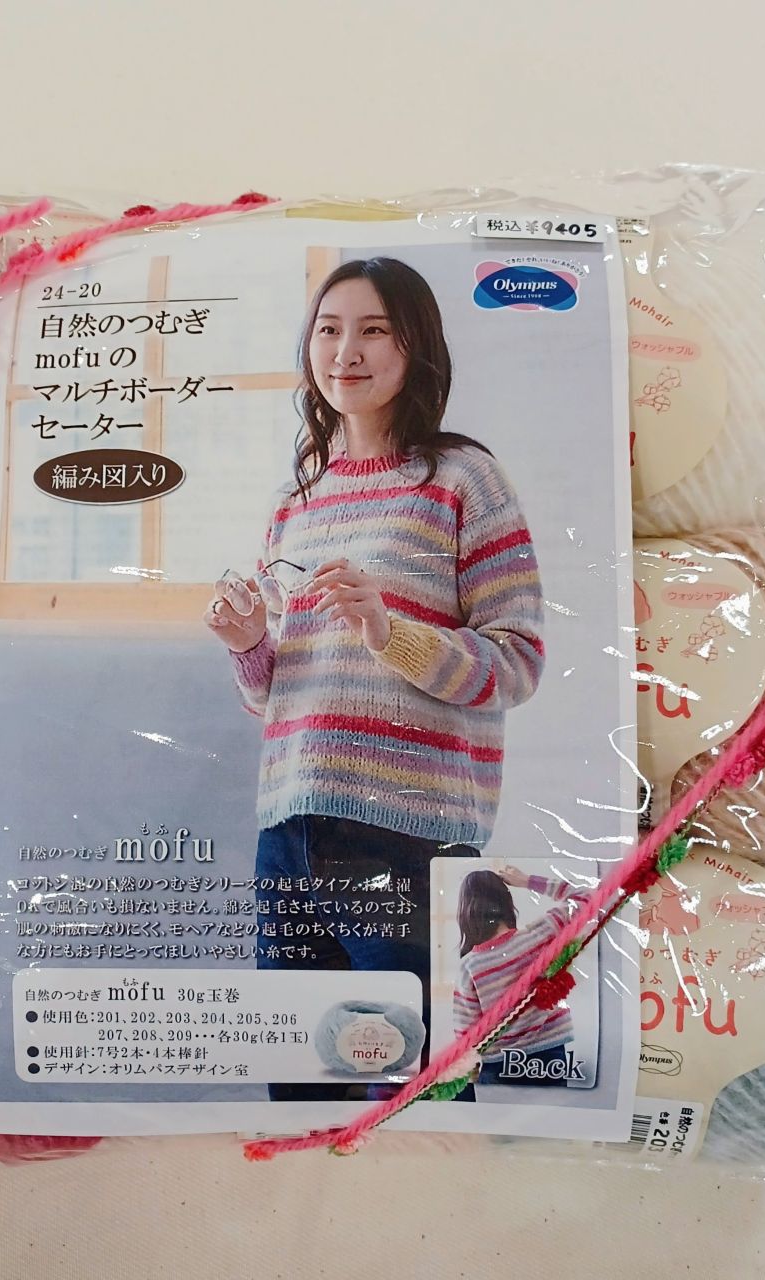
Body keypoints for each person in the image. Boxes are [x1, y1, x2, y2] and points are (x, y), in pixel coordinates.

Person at [202, 256, 545, 1100]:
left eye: (373, 330)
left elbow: (517, 662)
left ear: (413, 345)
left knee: (423, 1090)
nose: (344, 351)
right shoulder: (296, 502)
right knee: (299, 1091)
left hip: (407, 836)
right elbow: (273, 697)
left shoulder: (463, 480)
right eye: (328, 330)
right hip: (288, 831)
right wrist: (249, 644)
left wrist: (393, 634)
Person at [454, 866, 588, 1086]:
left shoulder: (469, 966)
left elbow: (467, 1034)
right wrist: (527, 881)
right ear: (506, 902)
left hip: (497, 1067)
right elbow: (587, 897)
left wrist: (471, 1070)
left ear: (466, 912)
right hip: (549, 1060)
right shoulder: (541, 933)